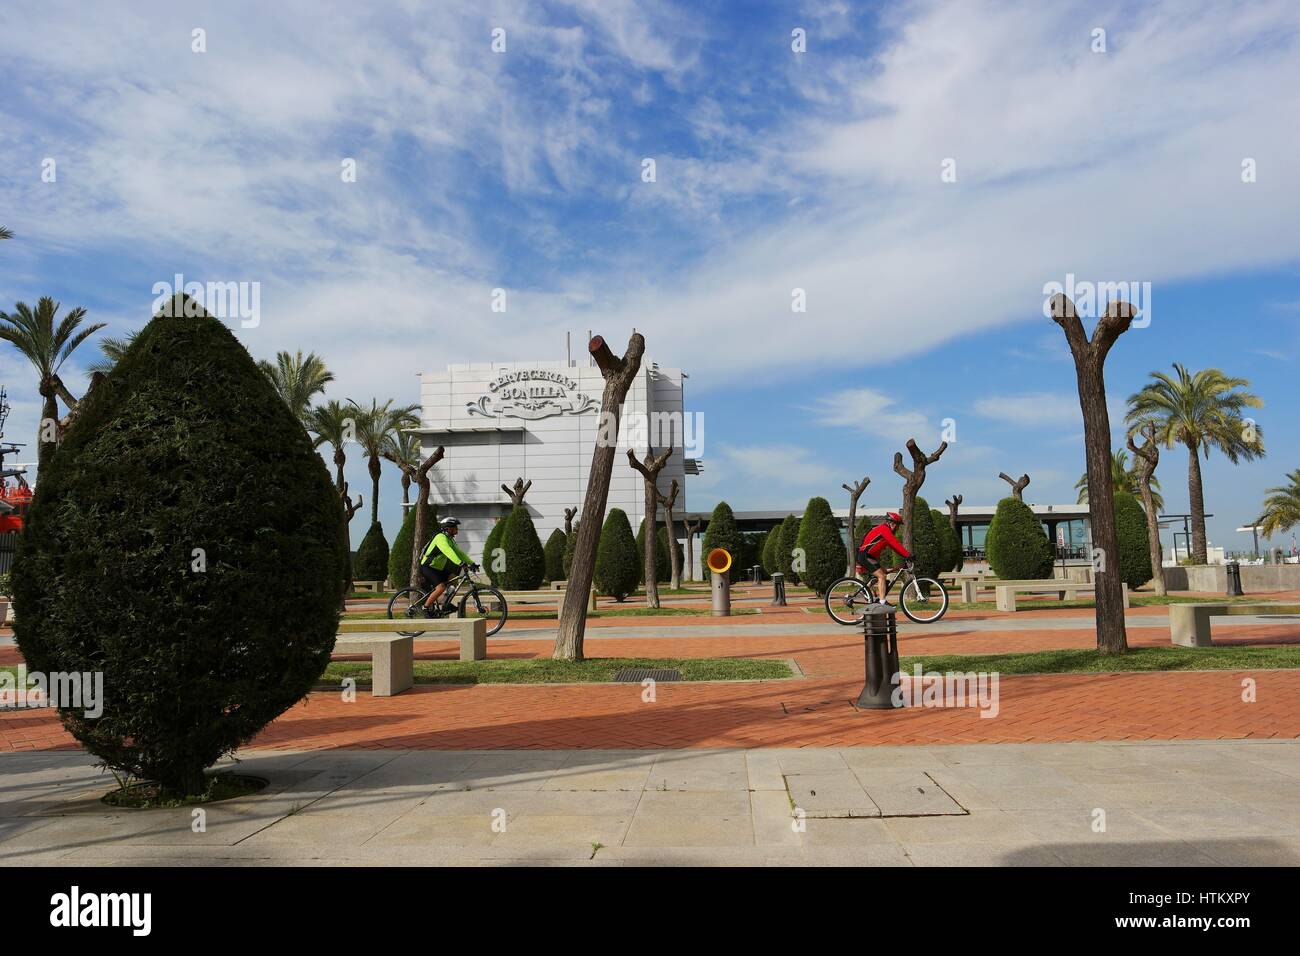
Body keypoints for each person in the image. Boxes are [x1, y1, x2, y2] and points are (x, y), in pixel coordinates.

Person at [418, 517, 479, 616]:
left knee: (454, 578)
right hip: (428, 567)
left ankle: (445, 603)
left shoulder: (450, 540)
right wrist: (460, 563)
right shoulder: (440, 538)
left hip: (438, 568)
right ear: (448, 528)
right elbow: (448, 551)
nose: (457, 530)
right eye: (455, 527)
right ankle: (424, 608)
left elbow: (459, 553)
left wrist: (471, 563)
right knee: (441, 587)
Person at [856, 511, 911, 609]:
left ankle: (866, 590)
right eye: (897, 526)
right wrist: (908, 555)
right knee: (881, 576)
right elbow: (895, 543)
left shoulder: (885, 531)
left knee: (884, 573)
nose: (897, 528)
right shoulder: (884, 530)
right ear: (892, 523)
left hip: (869, 556)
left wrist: (902, 561)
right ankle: (882, 602)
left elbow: (893, 547)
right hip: (865, 555)